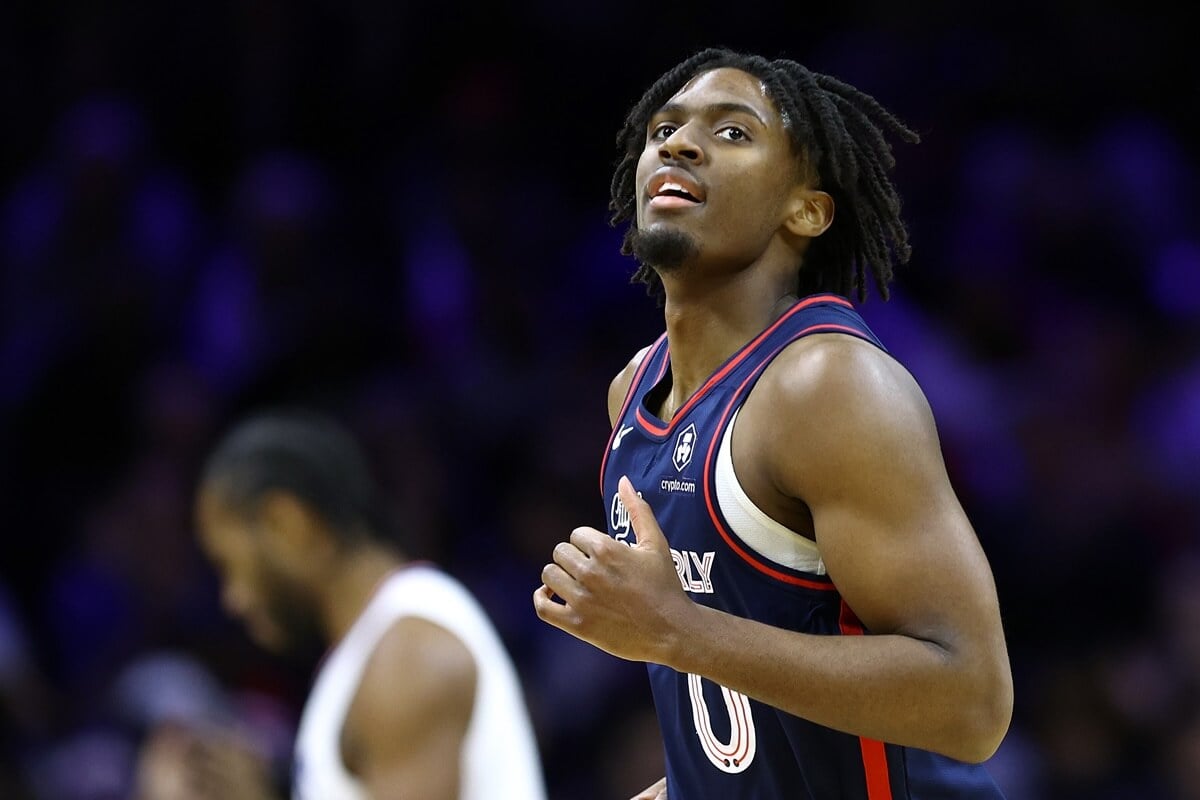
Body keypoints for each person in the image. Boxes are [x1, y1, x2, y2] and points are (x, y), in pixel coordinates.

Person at [533, 47, 1013, 799]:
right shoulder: (633, 393)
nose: (680, 143)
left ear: (807, 210)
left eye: (732, 133)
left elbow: (972, 700)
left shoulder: (826, 385)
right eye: (665, 128)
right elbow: (753, 717)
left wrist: (675, 631)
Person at [193, 410, 547, 800]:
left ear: (287, 523)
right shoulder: (375, 646)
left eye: (229, 567)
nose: (232, 599)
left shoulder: (406, 655)